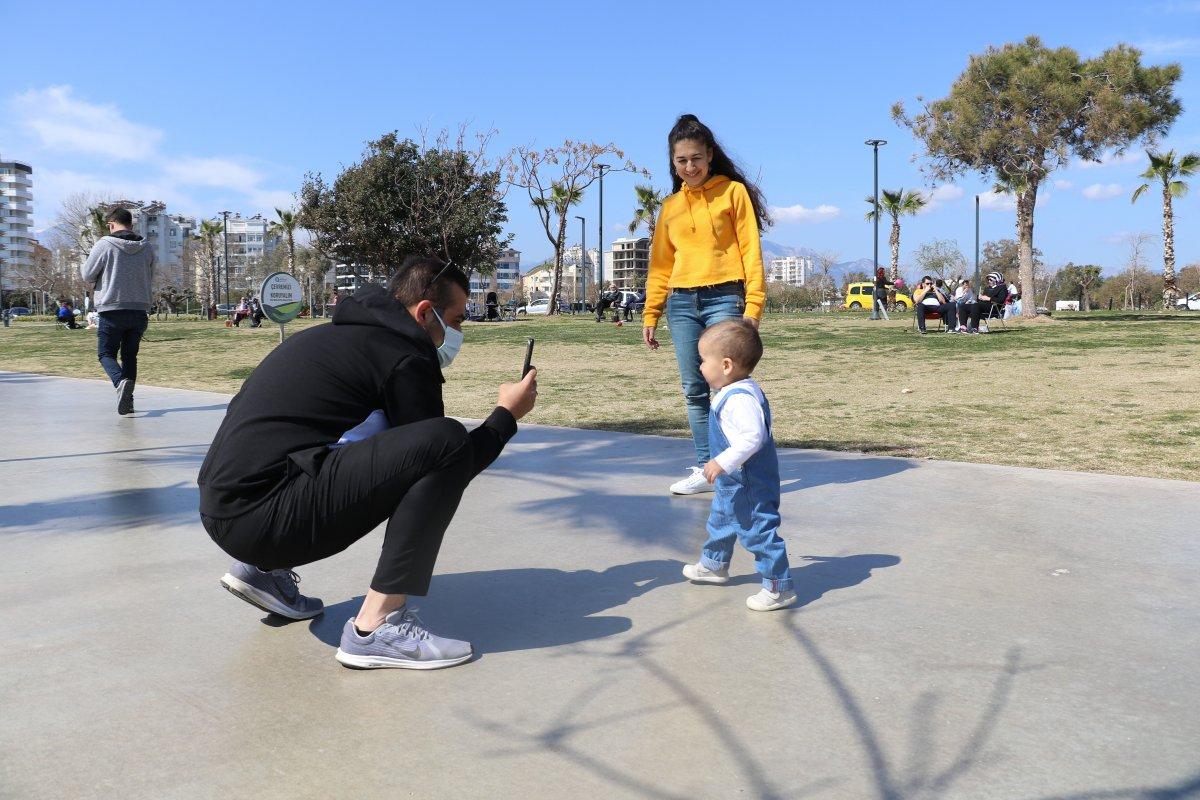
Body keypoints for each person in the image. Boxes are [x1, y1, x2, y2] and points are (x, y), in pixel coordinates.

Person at [198, 257, 539, 670]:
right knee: (445, 438)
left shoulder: (340, 336)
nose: (460, 333)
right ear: (425, 313)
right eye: (458, 319)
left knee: (376, 435)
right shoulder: (404, 356)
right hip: (264, 518)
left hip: (223, 510)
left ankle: (264, 570)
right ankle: (376, 626)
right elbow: (450, 460)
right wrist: (506, 416)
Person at [644, 114, 771, 496]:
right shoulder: (669, 207)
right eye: (681, 160)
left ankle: (734, 464)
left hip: (724, 297)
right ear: (673, 163)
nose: (690, 167)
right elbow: (661, 264)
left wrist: (753, 308)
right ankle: (706, 467)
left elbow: (751, 250)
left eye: (696, 158)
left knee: (729, 386)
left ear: (710, 155)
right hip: (681, 302)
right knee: (694, 389)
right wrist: (652, 311)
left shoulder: (732, 193)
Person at [681, 319, 794, 611]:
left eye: (704, 360)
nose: (701, 367)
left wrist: (721, 461)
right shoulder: (736, 390)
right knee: (721, 518)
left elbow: (752, 437)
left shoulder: (739, 400)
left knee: (757, 529)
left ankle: (778, 587)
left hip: (749, 482)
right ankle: (714, 564)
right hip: (733, 481)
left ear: (727, 365)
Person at [80, 207, 156, 415]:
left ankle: (120, 382)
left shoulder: (105, 244)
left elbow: (87, 274)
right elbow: (150, 276)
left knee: (106, 353)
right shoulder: (147, 247)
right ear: (131, 225)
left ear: (111, 225)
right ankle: (127, 402)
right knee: (130, 356)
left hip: (112, 308)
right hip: (139, 309)